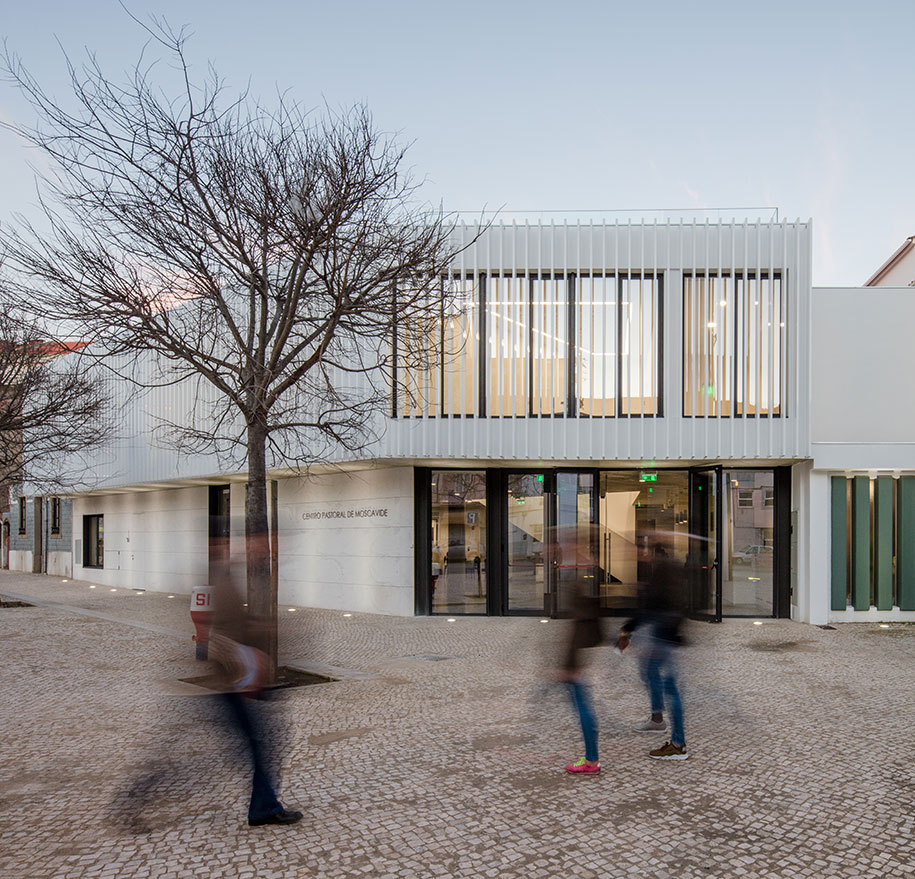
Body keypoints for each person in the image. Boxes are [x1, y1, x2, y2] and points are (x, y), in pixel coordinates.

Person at [208, 575, 304, 826]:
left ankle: (264, 806)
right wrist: (247, 662)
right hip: (230, 685)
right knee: (262, 745)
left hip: (236, 684)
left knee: (262, 745)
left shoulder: (232, 577)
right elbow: (217, 637)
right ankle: (263, 807)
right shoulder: (224, 580)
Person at [617, 536, 689, 761]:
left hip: (665, 634)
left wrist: (628, 629)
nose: (640, 555)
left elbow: (650, 605)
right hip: (666, 632)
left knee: (670, 686)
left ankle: (678, 744)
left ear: (652, 552)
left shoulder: (663, 572)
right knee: (649, 671)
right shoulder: (669, 568)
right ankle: (657, 719)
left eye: (642, 550)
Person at [560, 586, 605, 774]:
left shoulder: (579, 585)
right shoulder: (585, 584)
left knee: (584, 708)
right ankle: (591, 758)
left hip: (578, 663)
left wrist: (571, 665)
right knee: (585, 707)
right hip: (582, 659)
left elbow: (579, 630)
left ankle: (591, 761)